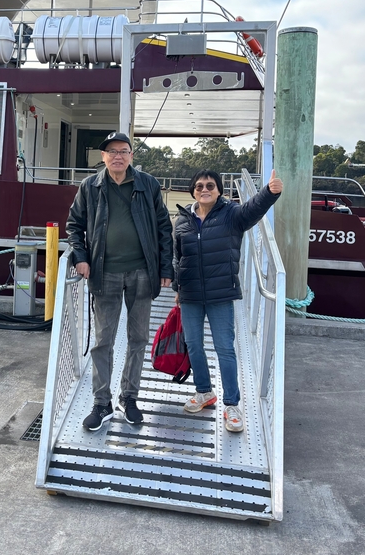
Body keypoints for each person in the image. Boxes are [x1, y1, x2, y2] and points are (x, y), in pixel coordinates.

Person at [66, 131, 173, 431]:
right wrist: (80, 256)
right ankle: (102, 402)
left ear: (131, 156)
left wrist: (166, 267)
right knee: (103, 340)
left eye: (123, 151)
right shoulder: (90, 186)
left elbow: (164, 227)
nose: (117, 156)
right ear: (103, 157)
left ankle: (130, 397)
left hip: (141, 271)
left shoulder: (147, 184)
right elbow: (74, 225)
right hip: (105, 272)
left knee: (138, 337)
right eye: (111, 151)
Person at [173, 168, 283, 433]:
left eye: (210, 185)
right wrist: (177, 286)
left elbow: (252, 211)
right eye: (199, 186)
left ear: (219, 190)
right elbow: (178, 256)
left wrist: (269, 193)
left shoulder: (231, 215)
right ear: (193, 191)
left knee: (224, 348)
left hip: (221, 293)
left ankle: (232, 404)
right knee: (194, 346)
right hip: (189, 294)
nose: (204, 189)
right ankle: (204, 392)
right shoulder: (183, 219)